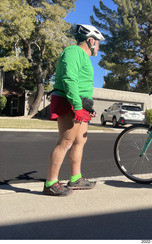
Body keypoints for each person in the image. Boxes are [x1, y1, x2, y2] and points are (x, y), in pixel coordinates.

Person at [43, 24, 105, 196]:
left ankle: (75, 178)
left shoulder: (83, 57)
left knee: (80, 141)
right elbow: (69, 79)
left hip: (80, 103)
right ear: (91, 40)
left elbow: (81, 84)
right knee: (65, 142)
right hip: (69, 101)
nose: (98, 46)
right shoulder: (73, 52)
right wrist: (77, 106)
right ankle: (51, 183)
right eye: (98, 43)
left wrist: (87, 107)